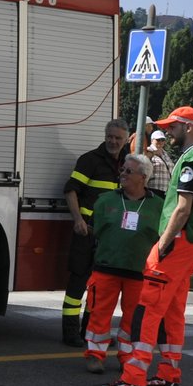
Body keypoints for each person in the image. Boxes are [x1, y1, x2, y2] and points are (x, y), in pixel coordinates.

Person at [93, 104, 193, 386]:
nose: (168, 132)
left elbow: (182, 207)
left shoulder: (189, 160)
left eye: (173, 127)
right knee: (173, 315)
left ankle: (133, 378)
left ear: (189, 127)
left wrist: (163, 244)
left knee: (147, 312)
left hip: (175, 246)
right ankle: (168, 375)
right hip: (191, 246)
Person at [82, 153, 163, 373]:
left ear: (143, 177)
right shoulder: (106, 200)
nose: (123, 174)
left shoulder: (159, 206)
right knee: (99, 313)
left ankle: (127, 356)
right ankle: (95, 355)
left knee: (132, 319)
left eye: (129, 171)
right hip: (106, 267)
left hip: (139, 272)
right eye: (123, 169)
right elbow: (92, 228)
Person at [60, 119, 131, 346]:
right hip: (86, 232)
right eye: (109, 136)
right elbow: (71, 190)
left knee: (100, 287)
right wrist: (78, 220)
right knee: (77, 283)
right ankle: (70, 333)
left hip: (110, 236)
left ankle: (89, 331)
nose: (113, 141)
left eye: (118, 138)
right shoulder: (89, 160)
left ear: (126, 139)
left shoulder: (127, 164)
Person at [145, 130, 171, 195]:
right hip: (152, 189)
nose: (161, 142)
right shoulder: (147, 151)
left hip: (166, 191)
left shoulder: (165, 154)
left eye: (162, 139)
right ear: (152, 140)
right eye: (158, 139)